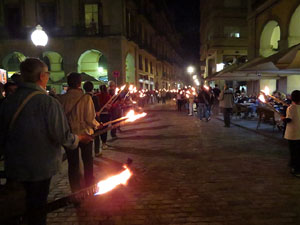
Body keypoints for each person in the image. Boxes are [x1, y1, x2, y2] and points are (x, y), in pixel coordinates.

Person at [0, 58, 92, 225]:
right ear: (42, 76)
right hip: (39, 168)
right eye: (47, 73)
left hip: (14, 166)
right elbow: (62, 136)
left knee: (18, 209)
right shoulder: (47, 102)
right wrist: (79, 138)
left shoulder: (8, 102)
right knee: (37, 211)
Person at [59, 73, 100, 192]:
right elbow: (89, 118)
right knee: (88, 161)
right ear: (79, 83)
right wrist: (97, 125)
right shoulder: (86, 97)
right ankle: (89, 186)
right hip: (85, 133)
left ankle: (75, 190)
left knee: (73, 164)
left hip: (70, 135)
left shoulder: (61, 98)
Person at [282, 90, 300, 177]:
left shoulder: (290, 108)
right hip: (299, 134)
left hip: (293, 134)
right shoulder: (293, 107)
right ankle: (294, 165)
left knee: (294, 152)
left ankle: (295, 169)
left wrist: (283, 118)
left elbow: (288, 120)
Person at [96, 85, 112, 154]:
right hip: (105, 115)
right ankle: (103, 143)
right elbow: (109, 106)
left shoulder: (96, 96)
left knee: (99, 129)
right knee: (104, 129)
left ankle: (98, 146)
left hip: (98, 115)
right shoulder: (108, 96)